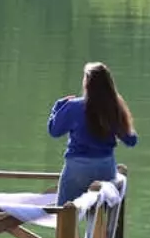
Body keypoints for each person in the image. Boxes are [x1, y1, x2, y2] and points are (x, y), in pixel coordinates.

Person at [47, 62, 137, 205]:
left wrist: (57, 107)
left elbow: (54, 131)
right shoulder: (114, 108)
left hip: (76, 168)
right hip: (105, 169)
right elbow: (131, 141)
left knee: (65, 214)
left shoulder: (73, 106)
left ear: (87, 83)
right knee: (102, 218)